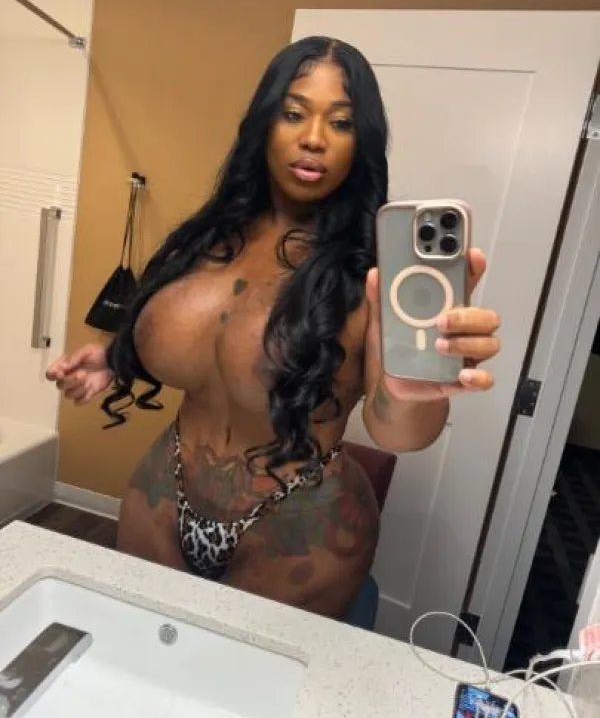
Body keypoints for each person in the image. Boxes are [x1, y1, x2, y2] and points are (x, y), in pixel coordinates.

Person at [47, 36, 500, 620]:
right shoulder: (207, 237)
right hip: (162, 497)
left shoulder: (373, 271)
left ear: (361, 142)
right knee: (134, 656)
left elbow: (398, 431)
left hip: (299, 535)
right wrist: (117, 357)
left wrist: (417, 390)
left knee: (242, 679)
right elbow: (196, 342)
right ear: (264, 123)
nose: (314, 137)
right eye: (294, 113)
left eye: (340, 122)